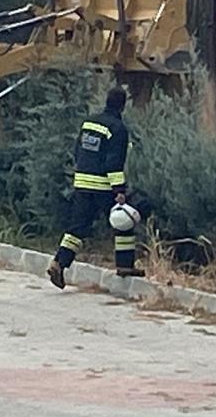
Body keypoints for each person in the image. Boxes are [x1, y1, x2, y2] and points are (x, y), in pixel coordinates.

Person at [47, 86, 144, 290]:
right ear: (123, 105)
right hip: (103, 186)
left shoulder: (89, 122)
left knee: (78, 227)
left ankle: (59, 262)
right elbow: (113, 163)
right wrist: (119, 190)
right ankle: (125, 266)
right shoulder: (118, 129)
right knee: (124, 222)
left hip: (82, 182)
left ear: (106, 101)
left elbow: (77, 151)